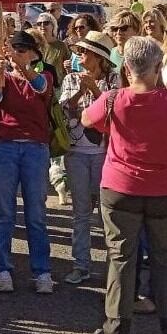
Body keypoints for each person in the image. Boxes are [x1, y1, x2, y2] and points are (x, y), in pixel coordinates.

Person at [82, 36, 167, 334]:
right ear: (158, 66)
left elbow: (87, 120)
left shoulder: (112, 99)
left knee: (120, 258)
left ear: (126, 66)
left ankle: (116, 331)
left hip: (121, 188)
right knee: (166, 260)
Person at [0, 31, 55, 294]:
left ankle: (42, 270)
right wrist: (1, 72)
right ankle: (3, 268)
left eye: (23, 50)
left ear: (34, 53)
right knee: (4, 212)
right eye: (15, 49)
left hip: (35, 148)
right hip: (4, 147)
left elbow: (41, 88)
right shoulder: (1, 75)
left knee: (36, 213)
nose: (18, 54)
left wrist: (23, 68)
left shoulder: (43, 74)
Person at [59, 30, 119, 285]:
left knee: (109, 214)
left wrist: (95, 90)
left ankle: (113, 270)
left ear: (98, 56)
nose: (80, 55)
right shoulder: (71, 78)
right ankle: (80, 265)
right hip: (77, 153)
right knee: (81, 213)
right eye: (79, 51)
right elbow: (63, 111)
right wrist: (78, 92)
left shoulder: (115, 80)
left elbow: (116, 113)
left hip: (106, 154)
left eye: (84, 52)